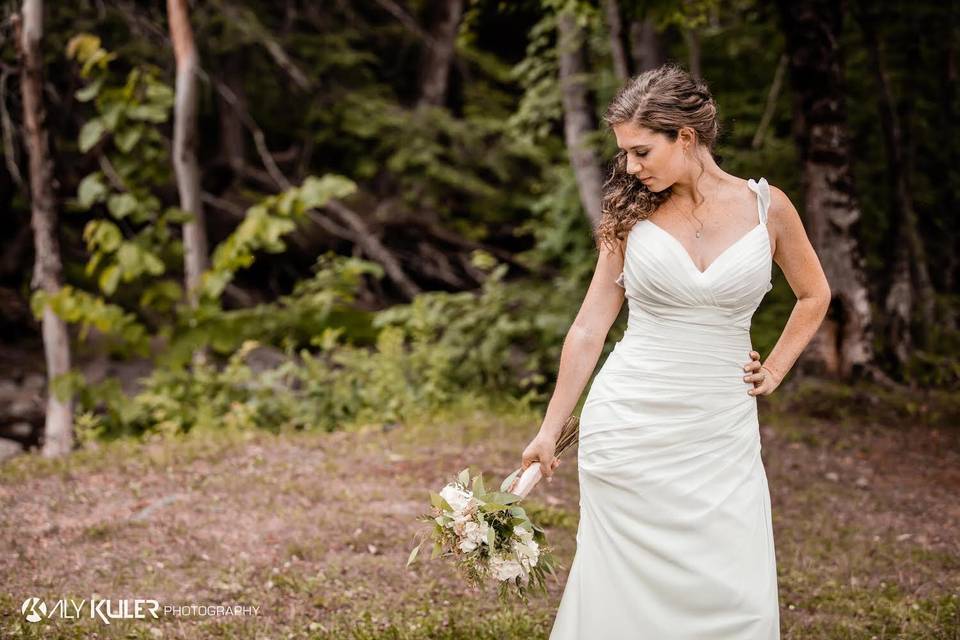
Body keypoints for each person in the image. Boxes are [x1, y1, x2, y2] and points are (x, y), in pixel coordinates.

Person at [520, 63, 831, 639]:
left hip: (719, 425)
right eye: (625, 154)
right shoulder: (628, 213)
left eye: (641, 152)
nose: (630, 167)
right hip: (630, 422)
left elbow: (814, 294)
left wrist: (778, 368)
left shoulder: (768, 208)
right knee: (622, 589)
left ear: (685, 137)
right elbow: (590, 328)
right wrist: (548, 428)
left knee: (734, 586)